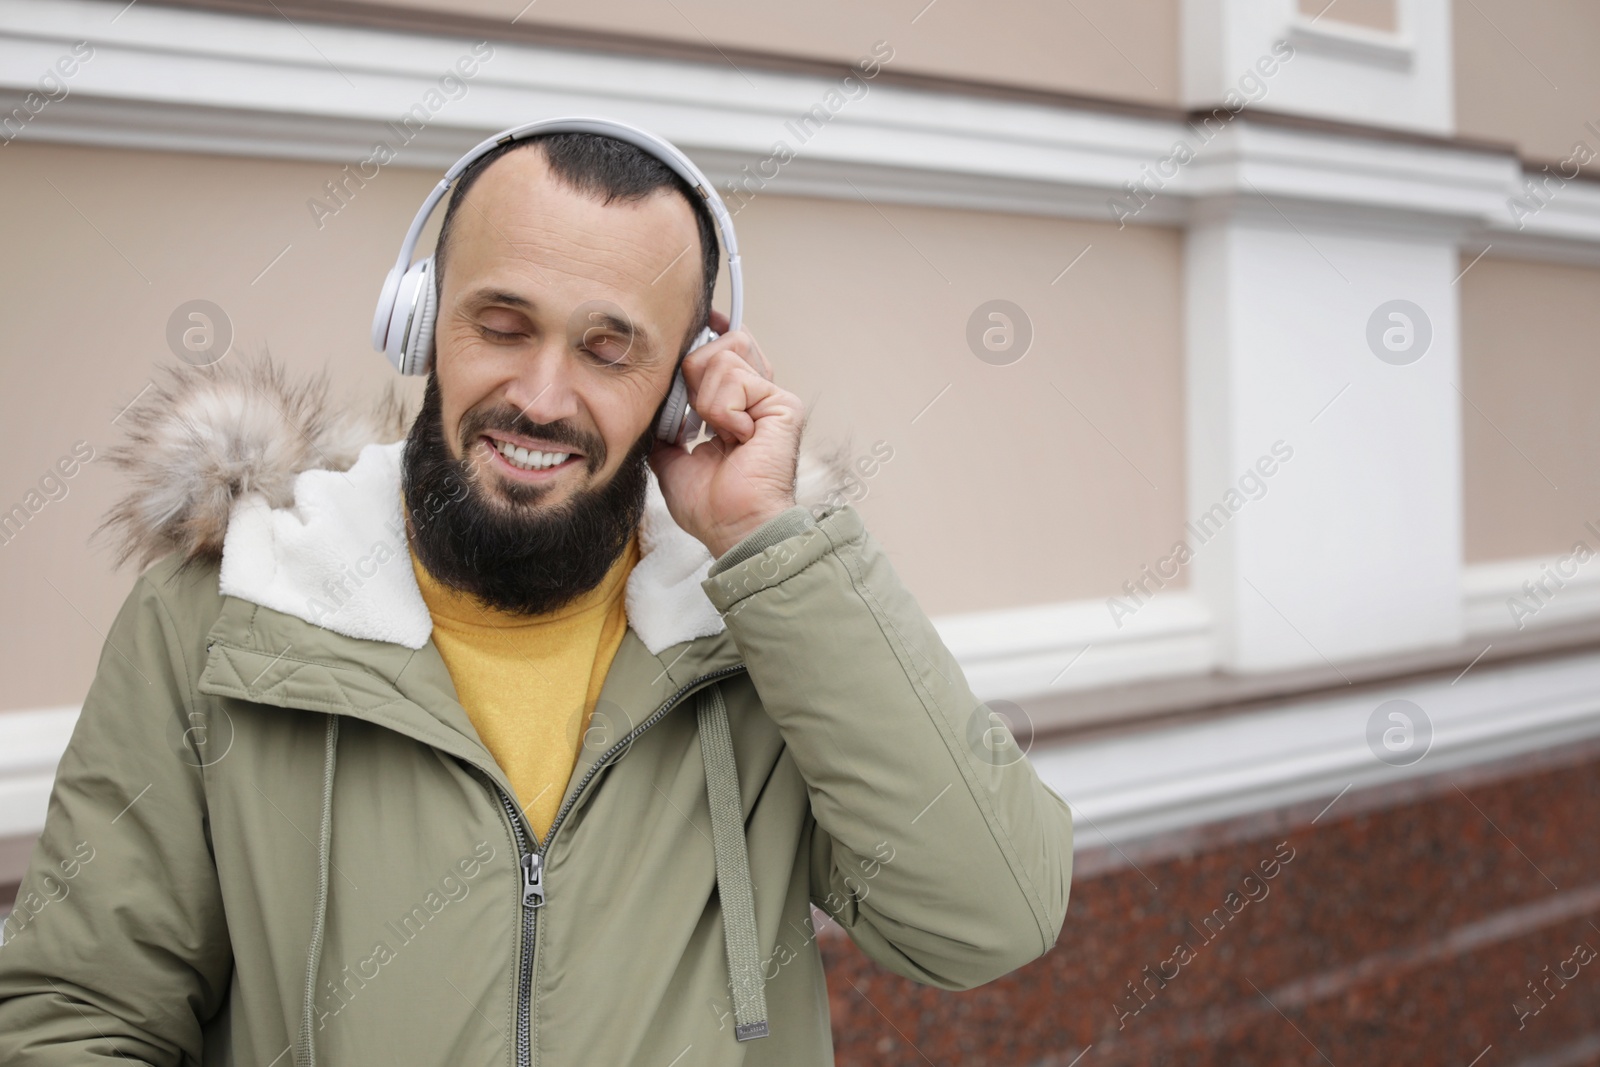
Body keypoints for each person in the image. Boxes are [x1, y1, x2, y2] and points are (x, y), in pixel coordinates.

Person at [0, 129, 1074, 1066]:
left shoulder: (758, 628)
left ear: (680, 385)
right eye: (501, 325)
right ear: (419, 326)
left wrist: (772, 543)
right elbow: (82, 1012)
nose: (542, 395)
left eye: (610, 350)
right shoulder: (223, 613)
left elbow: (990, 917)